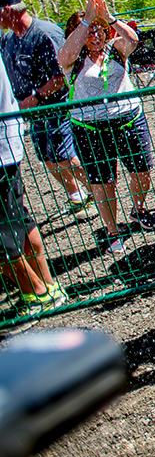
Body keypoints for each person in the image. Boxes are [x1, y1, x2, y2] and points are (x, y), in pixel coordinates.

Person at [57, 0, 155, 255]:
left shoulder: (115, 49)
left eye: (99, 30)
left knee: (143, 170)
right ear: (77, 34)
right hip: (90, 129)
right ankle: (112, 231)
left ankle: (138, 209)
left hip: (129, 120)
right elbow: (64, 54)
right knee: (103, 182)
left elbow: (134, 40)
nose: (95, 35)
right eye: (89, 31)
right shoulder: (73, 59)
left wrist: (110, 17)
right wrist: (87, 19)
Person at [0, 0, 89, 216]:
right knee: (47, 158)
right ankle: (78, 195)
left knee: (64, 155)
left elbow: (62, 76)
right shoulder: (9, 39)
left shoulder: (44, 33)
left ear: (7, 10)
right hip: (32, 112)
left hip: (57, 106)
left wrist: (36, 98)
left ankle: (99, 190)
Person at [0, 56, 69, 318]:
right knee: (18, 219)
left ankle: (38, 294)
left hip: (2, 151)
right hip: (7, 145)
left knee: (5, 233)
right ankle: (48, 288)